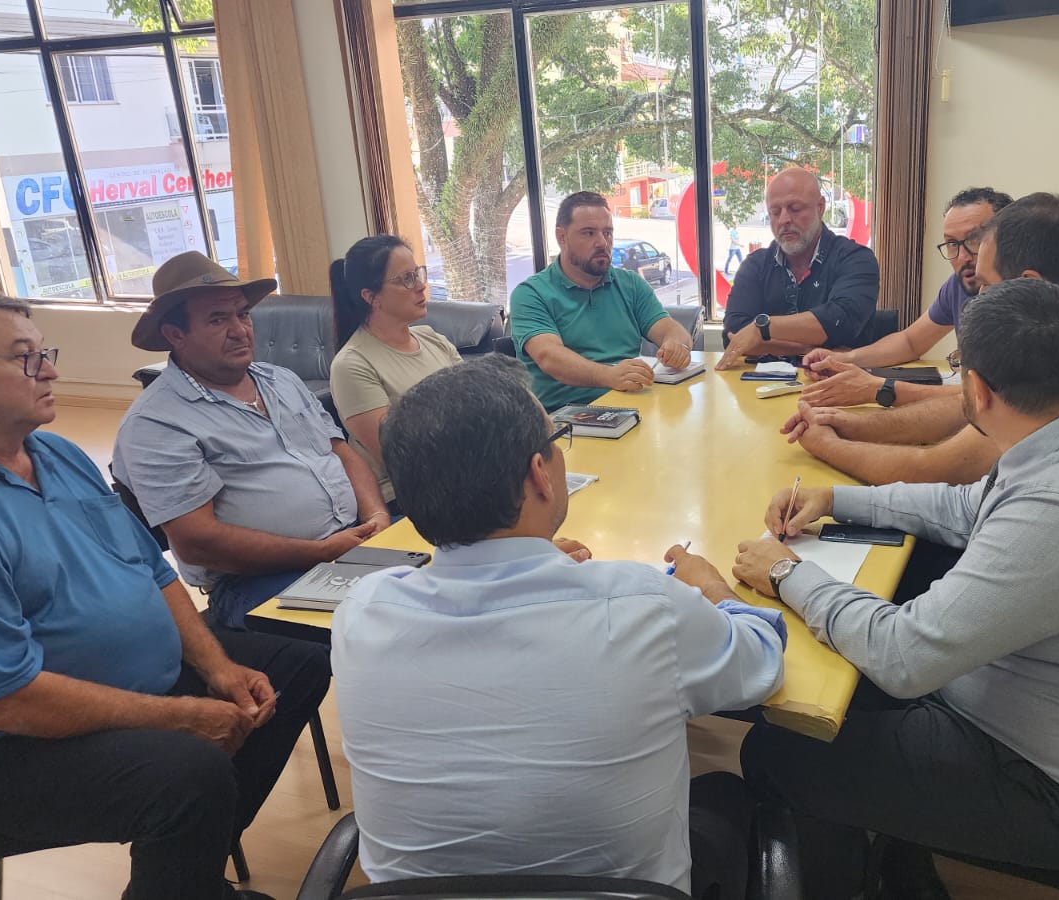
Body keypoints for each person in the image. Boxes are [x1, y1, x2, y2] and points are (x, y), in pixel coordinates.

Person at [731, 279, 1059, 898]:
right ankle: (894, 862)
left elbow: (904, 658)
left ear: (977, 391)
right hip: (1051, 716)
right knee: (838, 688)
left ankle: (860, 877)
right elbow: (965, 507)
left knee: (779, 752)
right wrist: (837, 499)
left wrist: (785, 573)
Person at [0, 293, 330, 900]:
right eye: (24, 358)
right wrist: (185, 716)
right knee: (190, 771)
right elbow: (4, 701)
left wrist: (220, 669)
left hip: (116, 688)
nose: (50, 370)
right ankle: (182, 869)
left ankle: (182, 874)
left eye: (43, 352)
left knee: (296, 665)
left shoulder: (54, 453)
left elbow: (152, 573)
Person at [331, 355, 786, 897]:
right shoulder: (644, 606)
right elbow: (762, 662)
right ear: (539, 473)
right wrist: (710, 588)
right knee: (726, 794)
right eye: (557, 440)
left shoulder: (360, 613)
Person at [783, 193, 1059, 496]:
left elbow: (941, 469)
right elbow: (974, 408)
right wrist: (849, 423)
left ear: (1030, 285)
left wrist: (828, 444)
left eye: (988, 285)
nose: (979, 295)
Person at [114, 252, 389, 630]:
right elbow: (197, 541)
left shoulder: (280, 380)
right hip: (259, 580)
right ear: (175, 335)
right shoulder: (156, 424)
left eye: (242, 314)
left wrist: (377, 516)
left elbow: (341, 452)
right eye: (217, 319)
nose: (239, 330)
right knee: (385, 623)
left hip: (351, 544)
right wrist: (320, 551)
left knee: (451, 577)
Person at [800, 187, 1012, 408]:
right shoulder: (958, 286)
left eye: (975, 240)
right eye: (952, 244)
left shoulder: (1023, 301)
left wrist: (880, 389)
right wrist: (844, 359)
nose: (963, 257)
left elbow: (994, 400)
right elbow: (910, 342)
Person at [511, 192, 696, 409]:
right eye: (589, 233)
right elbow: (549, 357)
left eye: (607, 233)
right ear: (562, 237)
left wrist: (676, 345)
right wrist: (610, 376)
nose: (602, 242)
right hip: (565, 415)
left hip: (629, 406)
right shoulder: (531, 294)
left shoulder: (630, 284)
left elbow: (670, 330)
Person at [329, 235, 462, 515]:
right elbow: (401, 455)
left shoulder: (432, 338)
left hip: (465, 476)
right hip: (411, 497)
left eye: (418, 274)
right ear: (371, 297)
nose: (421, 286)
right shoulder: (352, 364)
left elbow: (481, 402)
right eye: (406, 279)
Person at [718, 168, 881, 368]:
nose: (784, 220)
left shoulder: (856, 259)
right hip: (759, 383)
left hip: (838, 381)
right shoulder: (755, 265)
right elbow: (733, 334)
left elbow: (840, 323)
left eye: (795, 209)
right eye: (775, 212)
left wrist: (761, 329)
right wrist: (807, 349)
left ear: (820, 207)